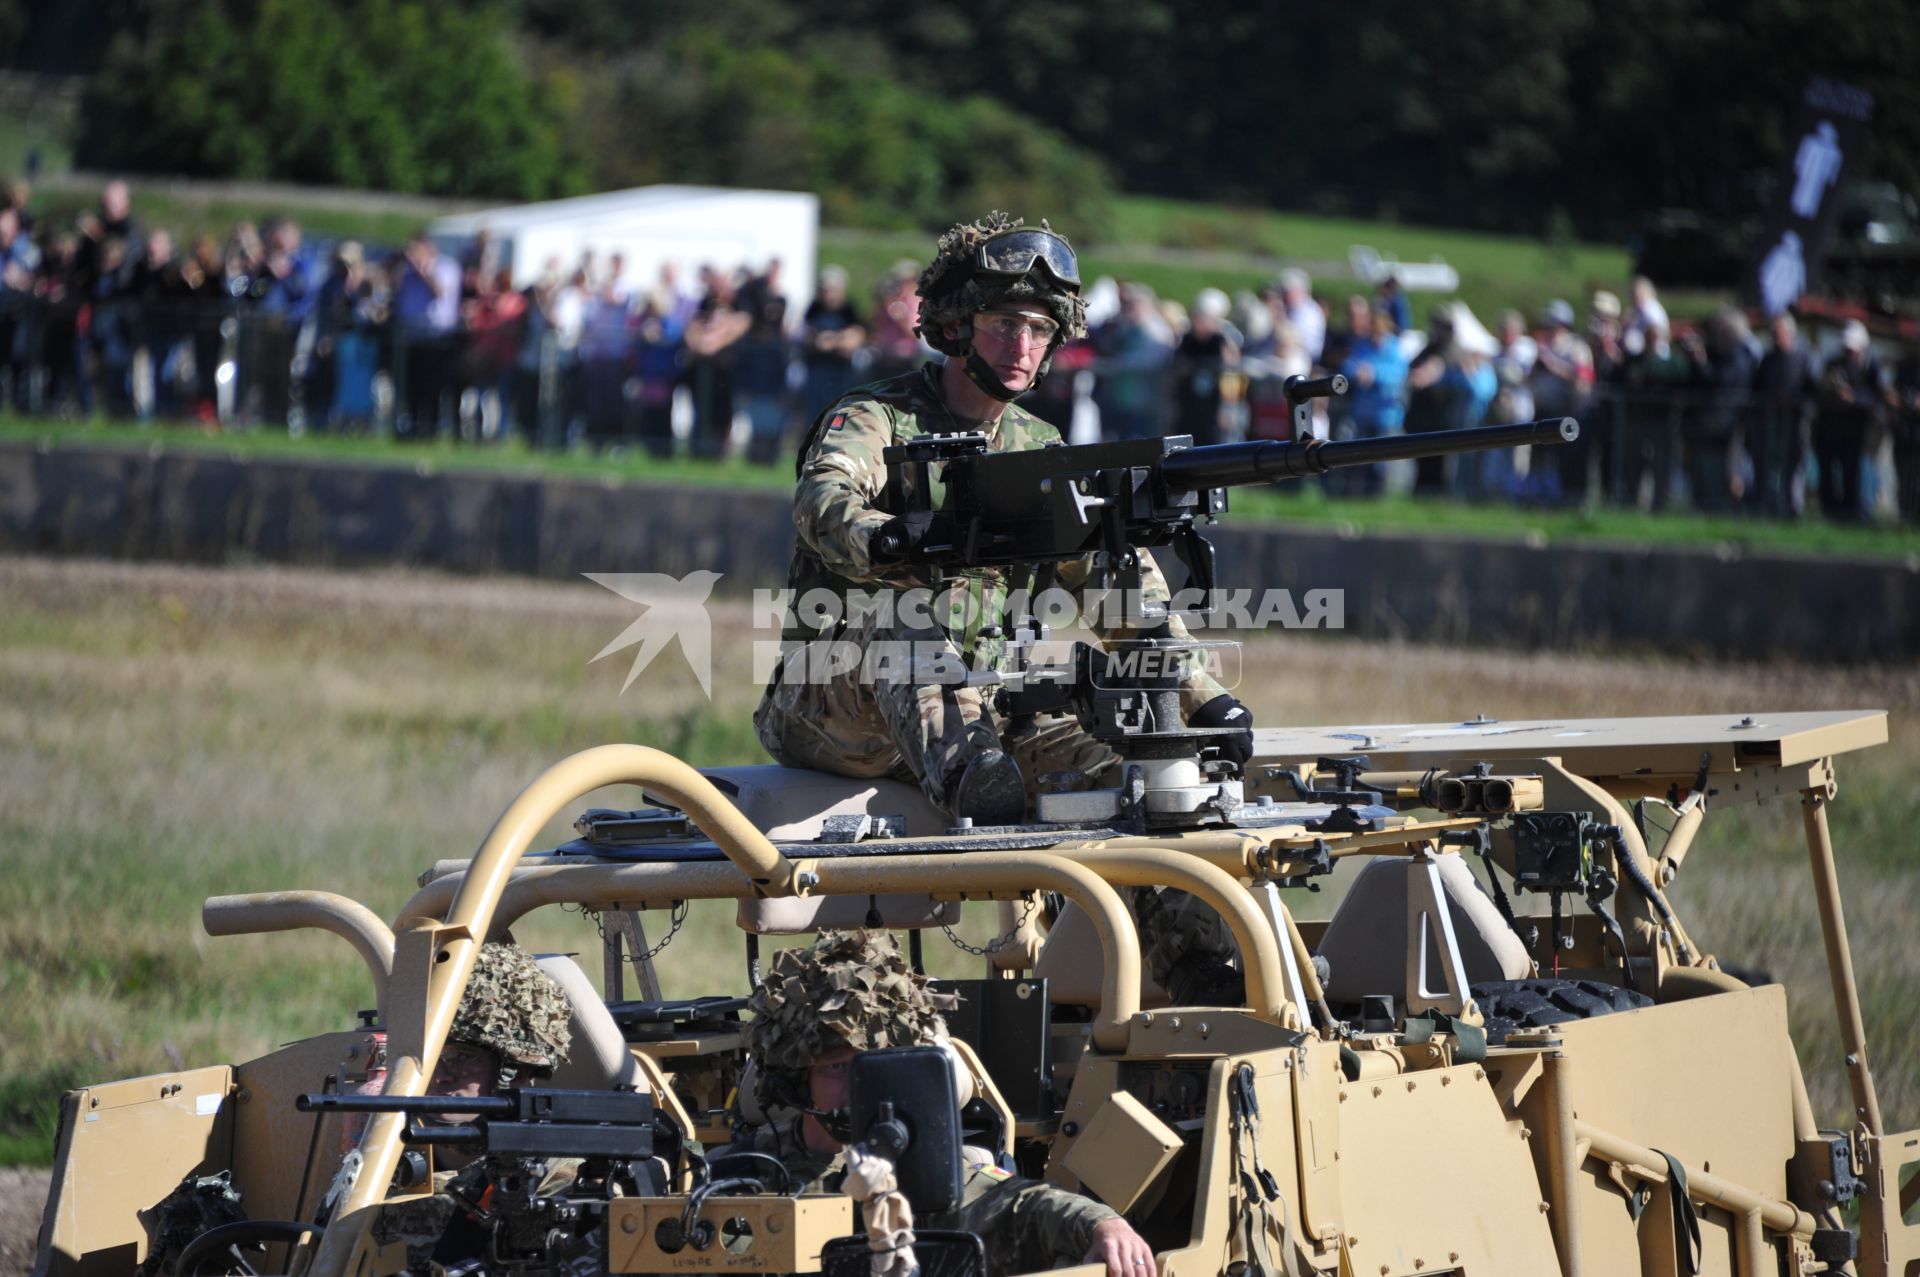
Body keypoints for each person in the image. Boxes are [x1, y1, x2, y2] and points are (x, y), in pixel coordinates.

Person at [753, 212, 1252, 827]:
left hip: (981, 710)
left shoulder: (1041, 449)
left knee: (1147, 786)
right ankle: (976, 780)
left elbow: (1119, 594)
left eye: (1039, 330)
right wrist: (887, 538)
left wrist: (1204, 699)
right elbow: (822, 500)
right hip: (832, 705)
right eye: (1005, 324)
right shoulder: (876, 416)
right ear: (958, 327)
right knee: (897, 621)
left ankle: (1153, 915)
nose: (1022, 346)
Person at [738, 930, 1157, 1277]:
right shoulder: (747, 1173)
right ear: (798, 1078)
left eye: (869, 1068)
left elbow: (1021, 1204)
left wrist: (1101, 1224)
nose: (854, 1088)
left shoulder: (923, 1167)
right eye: (833, 1069)